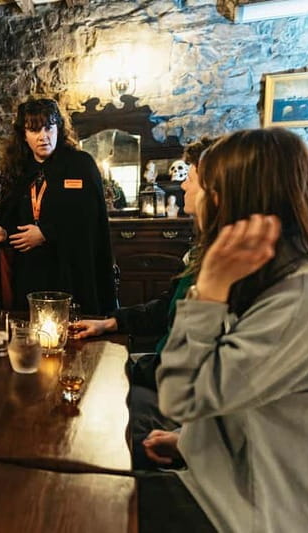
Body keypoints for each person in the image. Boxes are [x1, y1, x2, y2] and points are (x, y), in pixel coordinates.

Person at [142, 128, 308, 532]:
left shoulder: (299, 299)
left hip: (256, 514)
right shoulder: (278, 278)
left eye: (206, 185)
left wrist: (208, 293)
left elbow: (180, 395)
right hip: (229, 483)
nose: (190, 190)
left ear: (234, 200)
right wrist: (191, 442)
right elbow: (245, 397)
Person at [74, 136, 217, 470]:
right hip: (161, 374)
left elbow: (200, 363)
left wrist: (188, 437)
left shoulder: (228, 263)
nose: (183, 185)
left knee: (95, 423)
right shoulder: (205, 249)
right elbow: (167, 306)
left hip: (178, 398)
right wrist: (112, 322)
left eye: (191, 178)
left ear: (216, 190)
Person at [0, 98, 116, 313]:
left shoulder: (81, 165)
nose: (43, 136)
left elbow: (90, 220)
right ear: (24, 135)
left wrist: (47, 233)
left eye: (49, 127)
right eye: (34, 130)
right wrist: (4, 233)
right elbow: (19, 221)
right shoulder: (19, 171)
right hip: (30, 274)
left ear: (59, 128)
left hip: (71, 273)